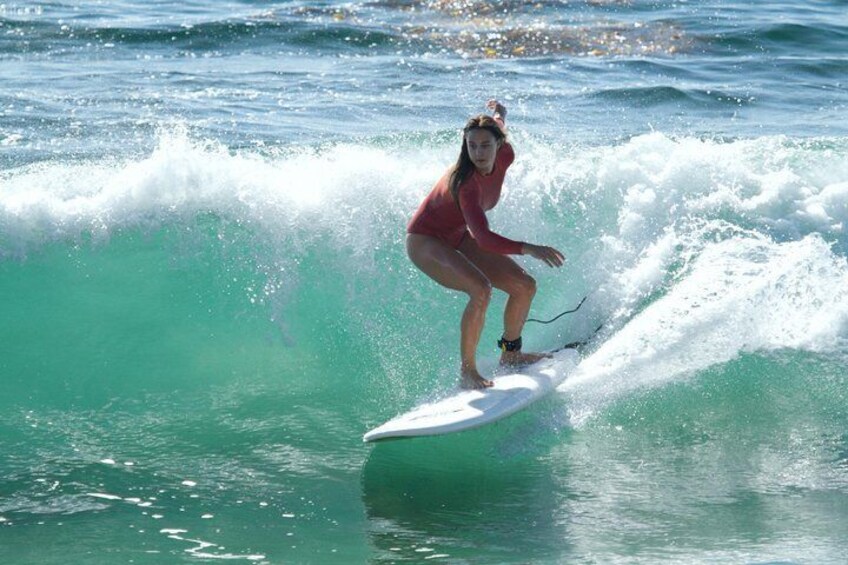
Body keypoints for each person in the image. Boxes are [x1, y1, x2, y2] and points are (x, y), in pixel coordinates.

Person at [406, 99, 565, 390]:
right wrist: (530, 248)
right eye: (472, 146)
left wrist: (500, 113)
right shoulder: (465, 184)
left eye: (485, 146)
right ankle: (468, 372)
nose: (478, 152)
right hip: (425, 240)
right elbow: (484, 239)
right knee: (480, 290)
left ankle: (511, 355)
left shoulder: (505, 154)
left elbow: (498, 125)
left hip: (456, 235)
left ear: (499, 145)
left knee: (524, 285)